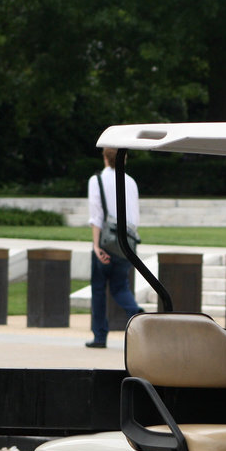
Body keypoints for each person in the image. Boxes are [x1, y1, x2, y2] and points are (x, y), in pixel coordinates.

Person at [85, 147, 142, 348]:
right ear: (123, 159)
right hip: (126, 244)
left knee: (99, 289)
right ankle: (135, 312)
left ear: (105, 157)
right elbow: (134, 217)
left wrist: (95, 245)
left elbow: (97, 215)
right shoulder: (131, 182)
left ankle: (100, 336)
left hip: (106, 242)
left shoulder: (97, 180)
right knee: (120, 287)